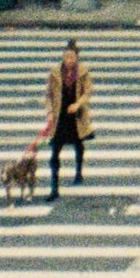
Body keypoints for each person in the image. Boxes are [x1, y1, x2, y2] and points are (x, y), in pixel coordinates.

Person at [45, 39, 93, 198]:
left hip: (75, 117)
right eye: (66, 57)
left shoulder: (83, 73)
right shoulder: (54, 74)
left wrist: (78, 104)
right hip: (60, 118)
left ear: (77, 58)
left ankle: (78, 171)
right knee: (54, 153)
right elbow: (48, 95)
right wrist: (49, 113)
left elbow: (87, 93)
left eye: (72, 58)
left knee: (78, 144)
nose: (69, 61)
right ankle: (54, 188)